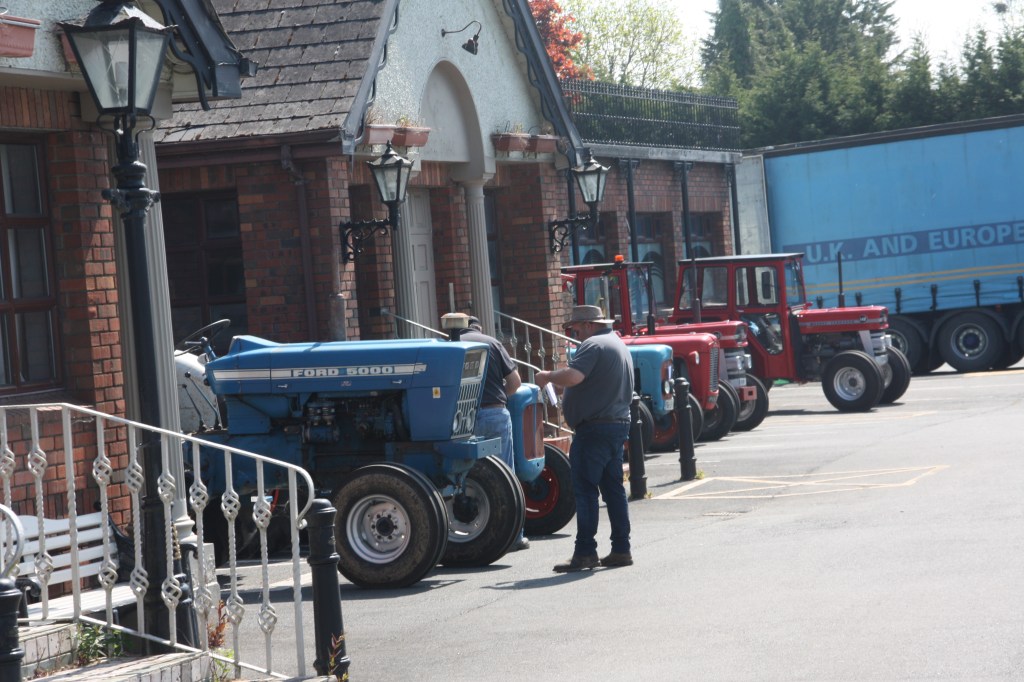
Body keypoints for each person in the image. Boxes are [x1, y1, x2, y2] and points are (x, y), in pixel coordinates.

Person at [536, 304, 635, 572]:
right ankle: (621, 549)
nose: (574, 334)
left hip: (594, 429)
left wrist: (547, 376)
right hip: (615, 425)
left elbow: (574, 376)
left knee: (586, 490)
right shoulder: (616, 343)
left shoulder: (593, 345)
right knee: (613, 490)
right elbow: (588, 381)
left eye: (576, 328)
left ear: (589, 325)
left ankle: (585, 552)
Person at [446, 313, 528, 551]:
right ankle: (514, 536)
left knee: (461, 474)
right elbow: (515, 382)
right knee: (505, 476)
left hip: (460, 418)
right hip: (494, 413)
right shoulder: (492, 343)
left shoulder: (450, 345)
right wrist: (500, 398)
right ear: (478, 328)